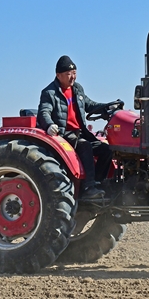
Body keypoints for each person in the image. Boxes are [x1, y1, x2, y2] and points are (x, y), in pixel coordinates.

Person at [37, 55, 118, 200]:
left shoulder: (77, 89)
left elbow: (90, 105)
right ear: (58, 75)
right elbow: (44, 112)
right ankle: (88, 188)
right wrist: (49, 125)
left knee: (107, 149)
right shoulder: (49, 93)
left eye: (74, 73)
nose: (72, 77)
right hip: (64, 134)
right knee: (84, 145)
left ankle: (99, 183)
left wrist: (107, 106)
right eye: (68, 74)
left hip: (80, 133)